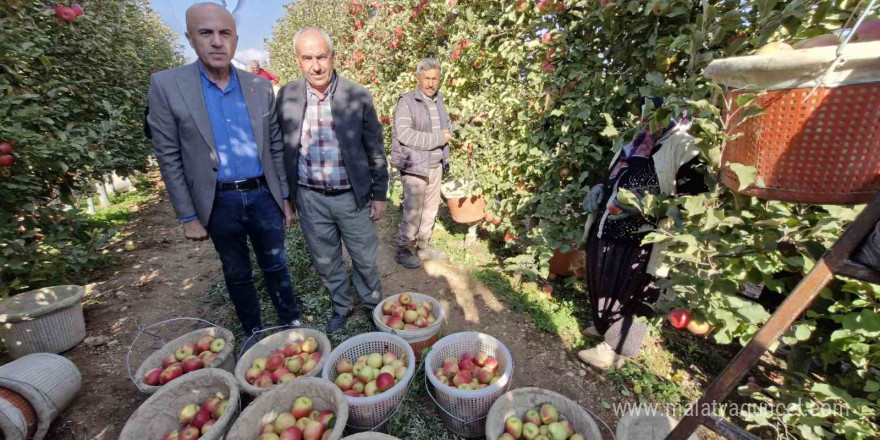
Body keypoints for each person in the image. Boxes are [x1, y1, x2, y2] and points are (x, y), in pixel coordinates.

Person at [146, 3, 300, 342]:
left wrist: (285, 197)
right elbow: (168, 156)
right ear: (191, 39)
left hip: (263, 195)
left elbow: (274, 146)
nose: (216, 41)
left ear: (235, 39)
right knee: (236, 271)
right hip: (219, 200)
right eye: (206, 33)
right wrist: (188, 215)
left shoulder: (258, 88)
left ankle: (291, 323)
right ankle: (254, 332)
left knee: (276, 264)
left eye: (224, 33)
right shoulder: (168, 86)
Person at [577, 101, 705, 370]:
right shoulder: (636, 143)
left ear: (674, 115)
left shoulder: (684, 146)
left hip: (643, 240)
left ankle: (615, 349)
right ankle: (605, 327)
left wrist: (648, 207)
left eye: (655, 114)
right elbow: (614, 179)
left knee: (636, 289)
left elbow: (695, 201)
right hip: (609, 230)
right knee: (606, 281)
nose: (646, 120)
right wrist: (599, 187)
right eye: (645, 112)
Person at [276, 27, 388, 333]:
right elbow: (281, 149)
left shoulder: (356, 95)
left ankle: (372, 307)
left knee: (364, 258)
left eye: (321, 56)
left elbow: (374, 148)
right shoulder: (287, 95)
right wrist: (286, 197)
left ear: (333, 57)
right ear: (297, 60)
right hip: (310, 196)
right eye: (307, 58)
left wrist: (379, 194)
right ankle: (342, 306)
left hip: (351, 196)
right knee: (326, 260)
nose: (316, 65)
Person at [391, 58, 452, 269]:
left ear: (439, 79)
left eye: (434, 78)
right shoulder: (407, 101)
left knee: (430, 210)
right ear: (418, 78)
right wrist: (438, 139)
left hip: (435, 165)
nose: (430, 83)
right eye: (426, 78)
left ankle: (423, 246)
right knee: (413, 212)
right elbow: (405, 135)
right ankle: (404, 249)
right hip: (415, 165)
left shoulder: (440, 100)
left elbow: (448, 129)